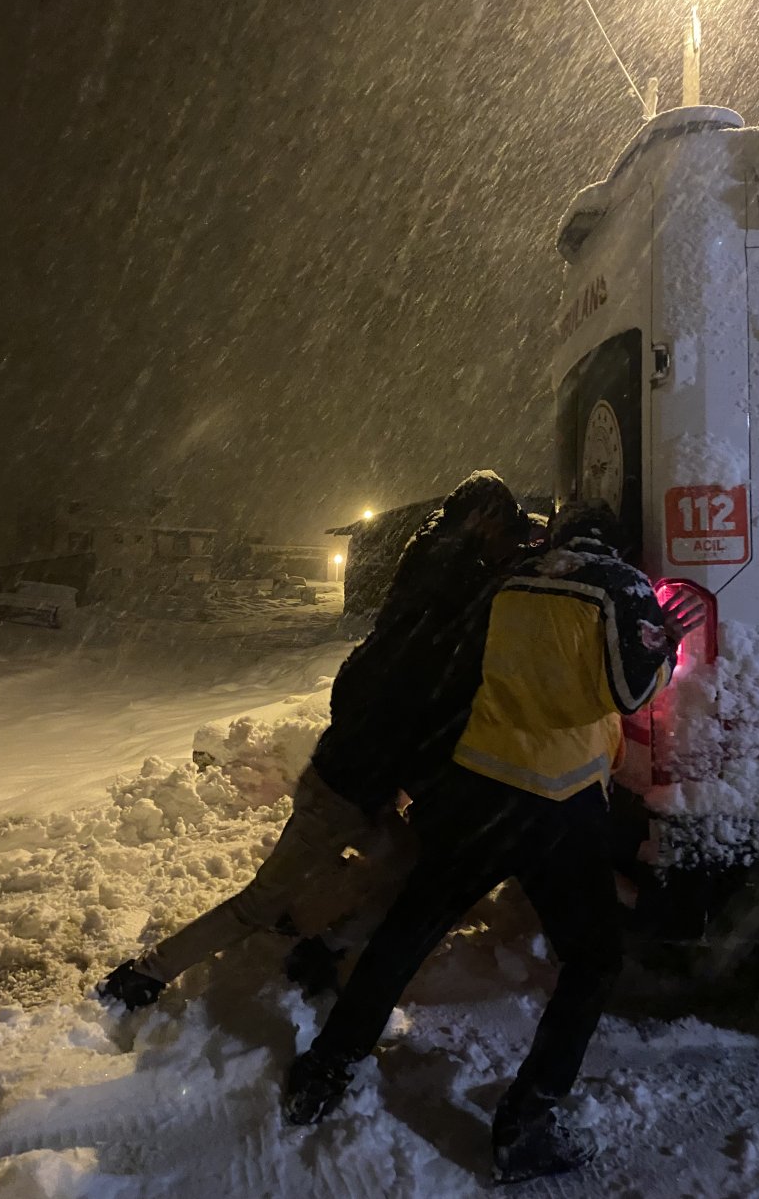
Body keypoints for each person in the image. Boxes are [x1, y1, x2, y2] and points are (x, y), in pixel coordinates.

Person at [282, 501, 706, 1184]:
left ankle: (324, 1071)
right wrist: (666, 641)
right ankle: (526, 1120)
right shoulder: (622, 586)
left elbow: (462, 671)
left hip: (479, 787)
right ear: (618, 541)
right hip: (558, 804)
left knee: (409, 930)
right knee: (593, 957)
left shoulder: (512, 578)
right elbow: (631, 693)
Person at [98, 472, 531, 1010]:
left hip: (363, 788)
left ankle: (320, 945)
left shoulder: (420, 600)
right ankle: (146, 974)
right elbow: (414, 691)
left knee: (405, 864)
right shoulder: (435, 611)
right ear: (481, 523)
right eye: (500, 530)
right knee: (256, 904)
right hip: (339, 790)